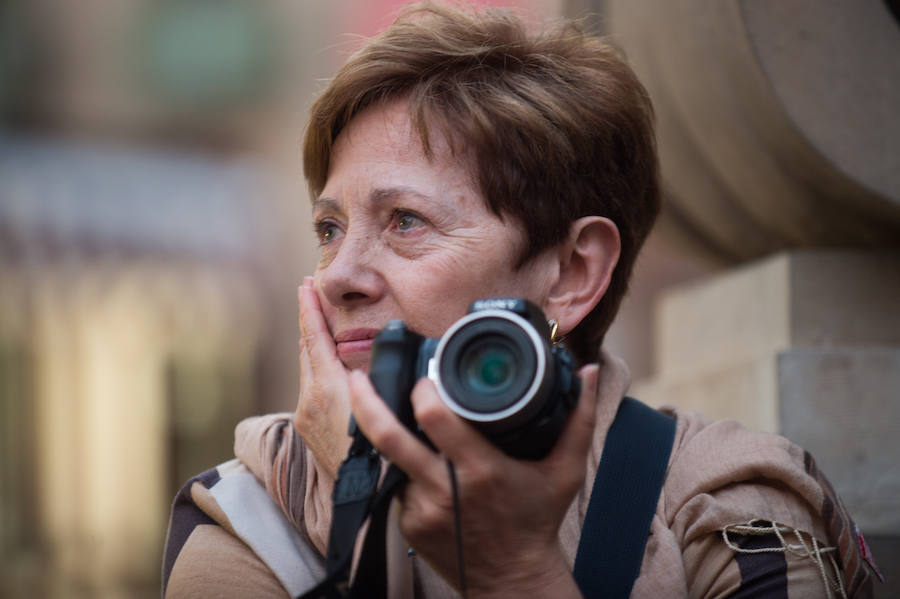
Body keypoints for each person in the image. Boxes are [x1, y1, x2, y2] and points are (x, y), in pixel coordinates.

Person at [161, 3, 880, 598]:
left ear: (571, 270)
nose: (338, 274)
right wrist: (360, 501)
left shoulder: (729, 505)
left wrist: (515, 571)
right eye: (329, 228)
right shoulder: (250, 514)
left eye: (405, 221)